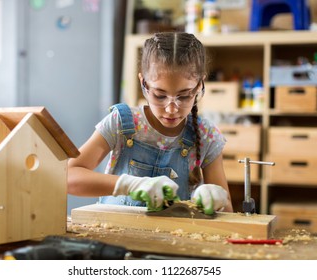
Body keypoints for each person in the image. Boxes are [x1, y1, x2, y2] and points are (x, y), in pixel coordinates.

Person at [68, 32, 233, 214]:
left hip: (175, 239)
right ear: (144, 83)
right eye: (160, 95)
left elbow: (228, 214)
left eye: (184, 96)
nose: (171, 109)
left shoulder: (205, 135)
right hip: (114, 233)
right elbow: (68, 176)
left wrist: (217, 200)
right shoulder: (122, 123)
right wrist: (129, 184)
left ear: (200, 85)